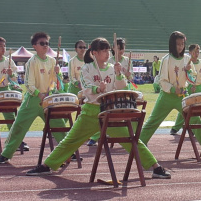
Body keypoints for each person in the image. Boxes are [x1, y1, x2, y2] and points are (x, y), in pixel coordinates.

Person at [26, 38, 171, 179]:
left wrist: (119, 74)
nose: (108, 53)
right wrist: (97, 89)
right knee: (70, 141)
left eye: (108, 50)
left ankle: (156, 167)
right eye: (103, 50)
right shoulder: (87, 68)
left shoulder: (112, 68)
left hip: (110, 112)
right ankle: (47, 165)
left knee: (131, 140)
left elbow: (122, 87)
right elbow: (86, 87)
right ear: (94, 53)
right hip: (90, 111)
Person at [0, 32, 61, 165]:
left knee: (58, 125)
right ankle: (6, 154)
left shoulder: (53, 61)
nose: (45, 46)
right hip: (32, 100)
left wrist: (57, 73)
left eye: (47, 43)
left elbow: (55, 83)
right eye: (42, 43)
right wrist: (39, 94)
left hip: (47, 100)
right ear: (34, 46)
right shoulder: (32, 62)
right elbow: (28, 84)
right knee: (19, 126)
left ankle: (68, 152)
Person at [140, 31, 201, 147]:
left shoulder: (187, 59)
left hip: (183, 96)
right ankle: (138, 145)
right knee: (152, 122)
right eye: (178, 44)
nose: (180, 47)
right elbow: (162, 80)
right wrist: (173, 89)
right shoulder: (166, 59)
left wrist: (188, 71)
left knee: (195, 120)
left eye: (182, 44)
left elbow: (192, 78)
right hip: (166, 97)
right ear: (172, 45)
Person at [170, 44, 201, 135]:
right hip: (189, 86)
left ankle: (200, 127)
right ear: (190, 53)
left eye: (198, 52)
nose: (197, 54)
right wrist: (191, 85)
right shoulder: (187, 62)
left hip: (200, 86)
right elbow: (188, 75)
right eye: (195, 52)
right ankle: (176, 127)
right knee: (185, 108)